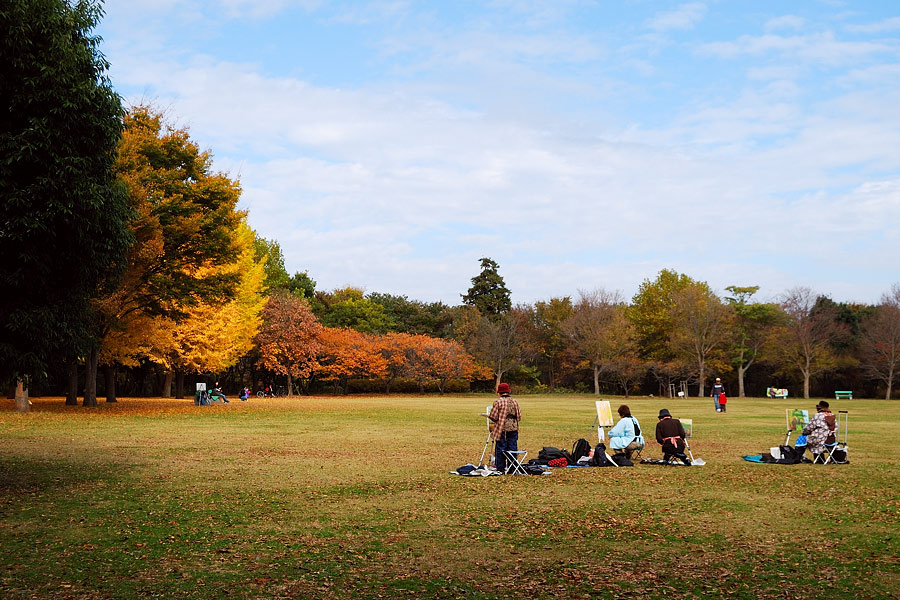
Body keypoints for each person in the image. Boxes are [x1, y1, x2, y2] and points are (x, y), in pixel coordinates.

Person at [488, 383, 521, 474]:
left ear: (500, 392)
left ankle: (500, 468)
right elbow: (519, 416)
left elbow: (493, 417)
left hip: (502, 429)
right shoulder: (515, 401)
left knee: (501, 448)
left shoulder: (498, 402)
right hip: (514, 428)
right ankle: (512, 468)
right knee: (512, 448)